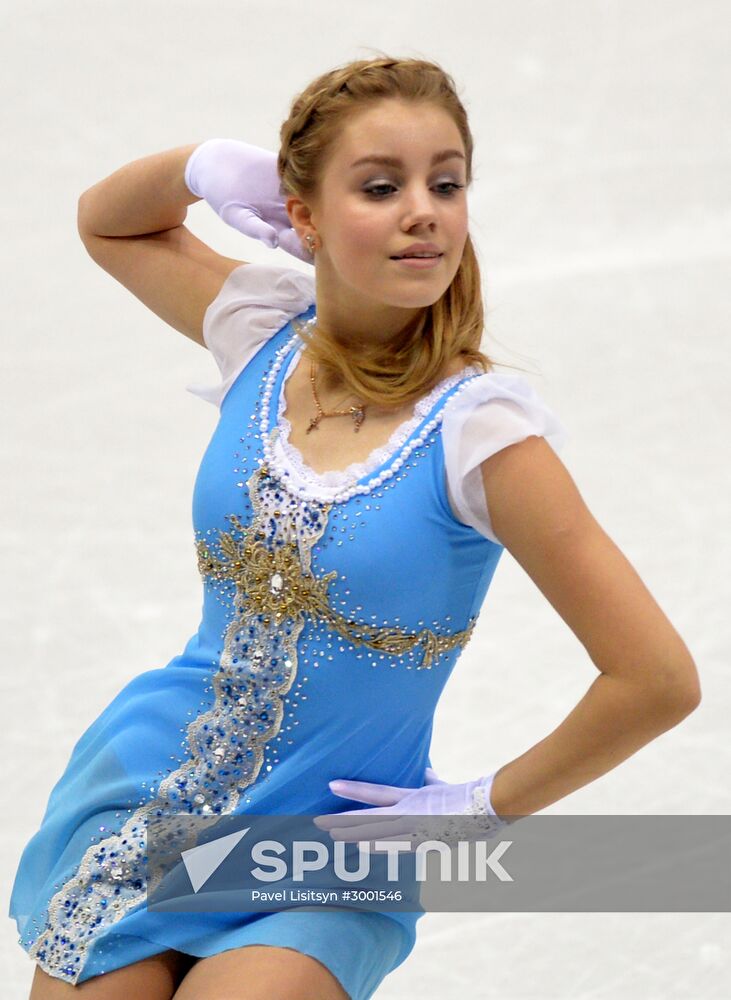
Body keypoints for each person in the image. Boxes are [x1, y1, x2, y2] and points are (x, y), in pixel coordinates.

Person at [9, 55, 701, 1000]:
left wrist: (476, 813)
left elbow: (655, 679)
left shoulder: (481, 434)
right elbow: (108, 219)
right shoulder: (259, 336)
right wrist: (205, 165)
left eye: (446, 183)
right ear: (302, 214)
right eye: (381, 187)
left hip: (328, 851)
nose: (424, 211)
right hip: (155, 791)